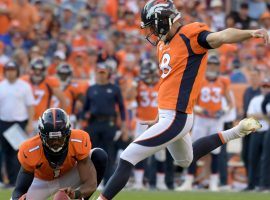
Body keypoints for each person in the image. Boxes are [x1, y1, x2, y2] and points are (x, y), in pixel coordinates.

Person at [96, 1, 266, 199]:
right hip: (170, 115)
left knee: (127, 158)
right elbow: (169, 82)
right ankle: (237, 131)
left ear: (163, 22)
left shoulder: (190, 35)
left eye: (151, 25)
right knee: (186, 160)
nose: (150, 31)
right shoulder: (162, 45)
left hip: (177, 117)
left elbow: (221, 36)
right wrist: (160, 116)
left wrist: (250, 32)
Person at [11, 108, 108, 200]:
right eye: (51, 139)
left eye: (60, 138)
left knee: (99, 155)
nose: (56, 142)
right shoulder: (30, 149)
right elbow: (20, 189)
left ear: (68, 134)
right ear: (41, 136)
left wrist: (76, 194)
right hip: (42, 183)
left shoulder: (78, 140)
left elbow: (90, 183)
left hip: (68, 176)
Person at [176, 54, 233, 191]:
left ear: (218, 66)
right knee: (194, 149)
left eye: (215, 65)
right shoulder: (199, 80)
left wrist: (223, 110)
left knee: (216, 151)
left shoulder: (224, 81)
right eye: (211, 64)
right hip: (201, 120)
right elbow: (191, 100)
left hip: (216, 120)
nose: (213, 67)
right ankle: (188, 180)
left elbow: (230, 103)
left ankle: (214, 181)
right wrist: (200, 109)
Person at [83, 62, 127, 185]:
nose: (101, 75)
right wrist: (84, 117)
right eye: (99, 73)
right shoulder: (91, 89)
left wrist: (124, 126)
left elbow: (122, 108)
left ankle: (108, 181)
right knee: (93, 153)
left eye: (103, 73)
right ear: (96, 74)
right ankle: (94, 181)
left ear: (108, 74)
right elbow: (85, 109)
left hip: (109, 123)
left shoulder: (114, 88)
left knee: (109, 152)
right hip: (94, 123)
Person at [132, 59, 167, 190]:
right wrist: (134, 86)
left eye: (149, 74)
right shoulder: (138, 84)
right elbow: (129, 97)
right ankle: (138, 183)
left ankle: (160, 182)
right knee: (138, 151)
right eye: (145, 74)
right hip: (141, 122)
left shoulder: (161, 84)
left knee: (160, 153)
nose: (147, 77)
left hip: (158, 122)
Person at [0, 61, 34, 187]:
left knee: (18, 154)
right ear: (5, 71)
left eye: (13, 69)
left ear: (17, 71)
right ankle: (6, 181)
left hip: (18, 123)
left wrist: (30, 123)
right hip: (3, 122)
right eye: (8, 70)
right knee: (5, 152)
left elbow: (30, 106)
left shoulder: (24, 86)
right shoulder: (1, 86)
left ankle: (17, 181)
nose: (10, 72)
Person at [22, 57, 66, 131]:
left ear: (44, 70)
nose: (37, 72)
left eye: (40, 70)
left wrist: (60, 119)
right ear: (31, 69)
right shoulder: (24, 81)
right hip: (25, 119)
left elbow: (63, 100)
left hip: (43, 120)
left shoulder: (50, 82)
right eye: (35, 69)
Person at [246, 78, 270, 191]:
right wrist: (264, 115)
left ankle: (264, 184)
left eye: (267, 87)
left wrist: (260, 115)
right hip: (256, 131)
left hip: (267, 131)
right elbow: (249, 114)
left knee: (266, 159)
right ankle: (251, 184)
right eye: (264, 86)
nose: (265, 89)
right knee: (252, 158)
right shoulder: (255, 99)